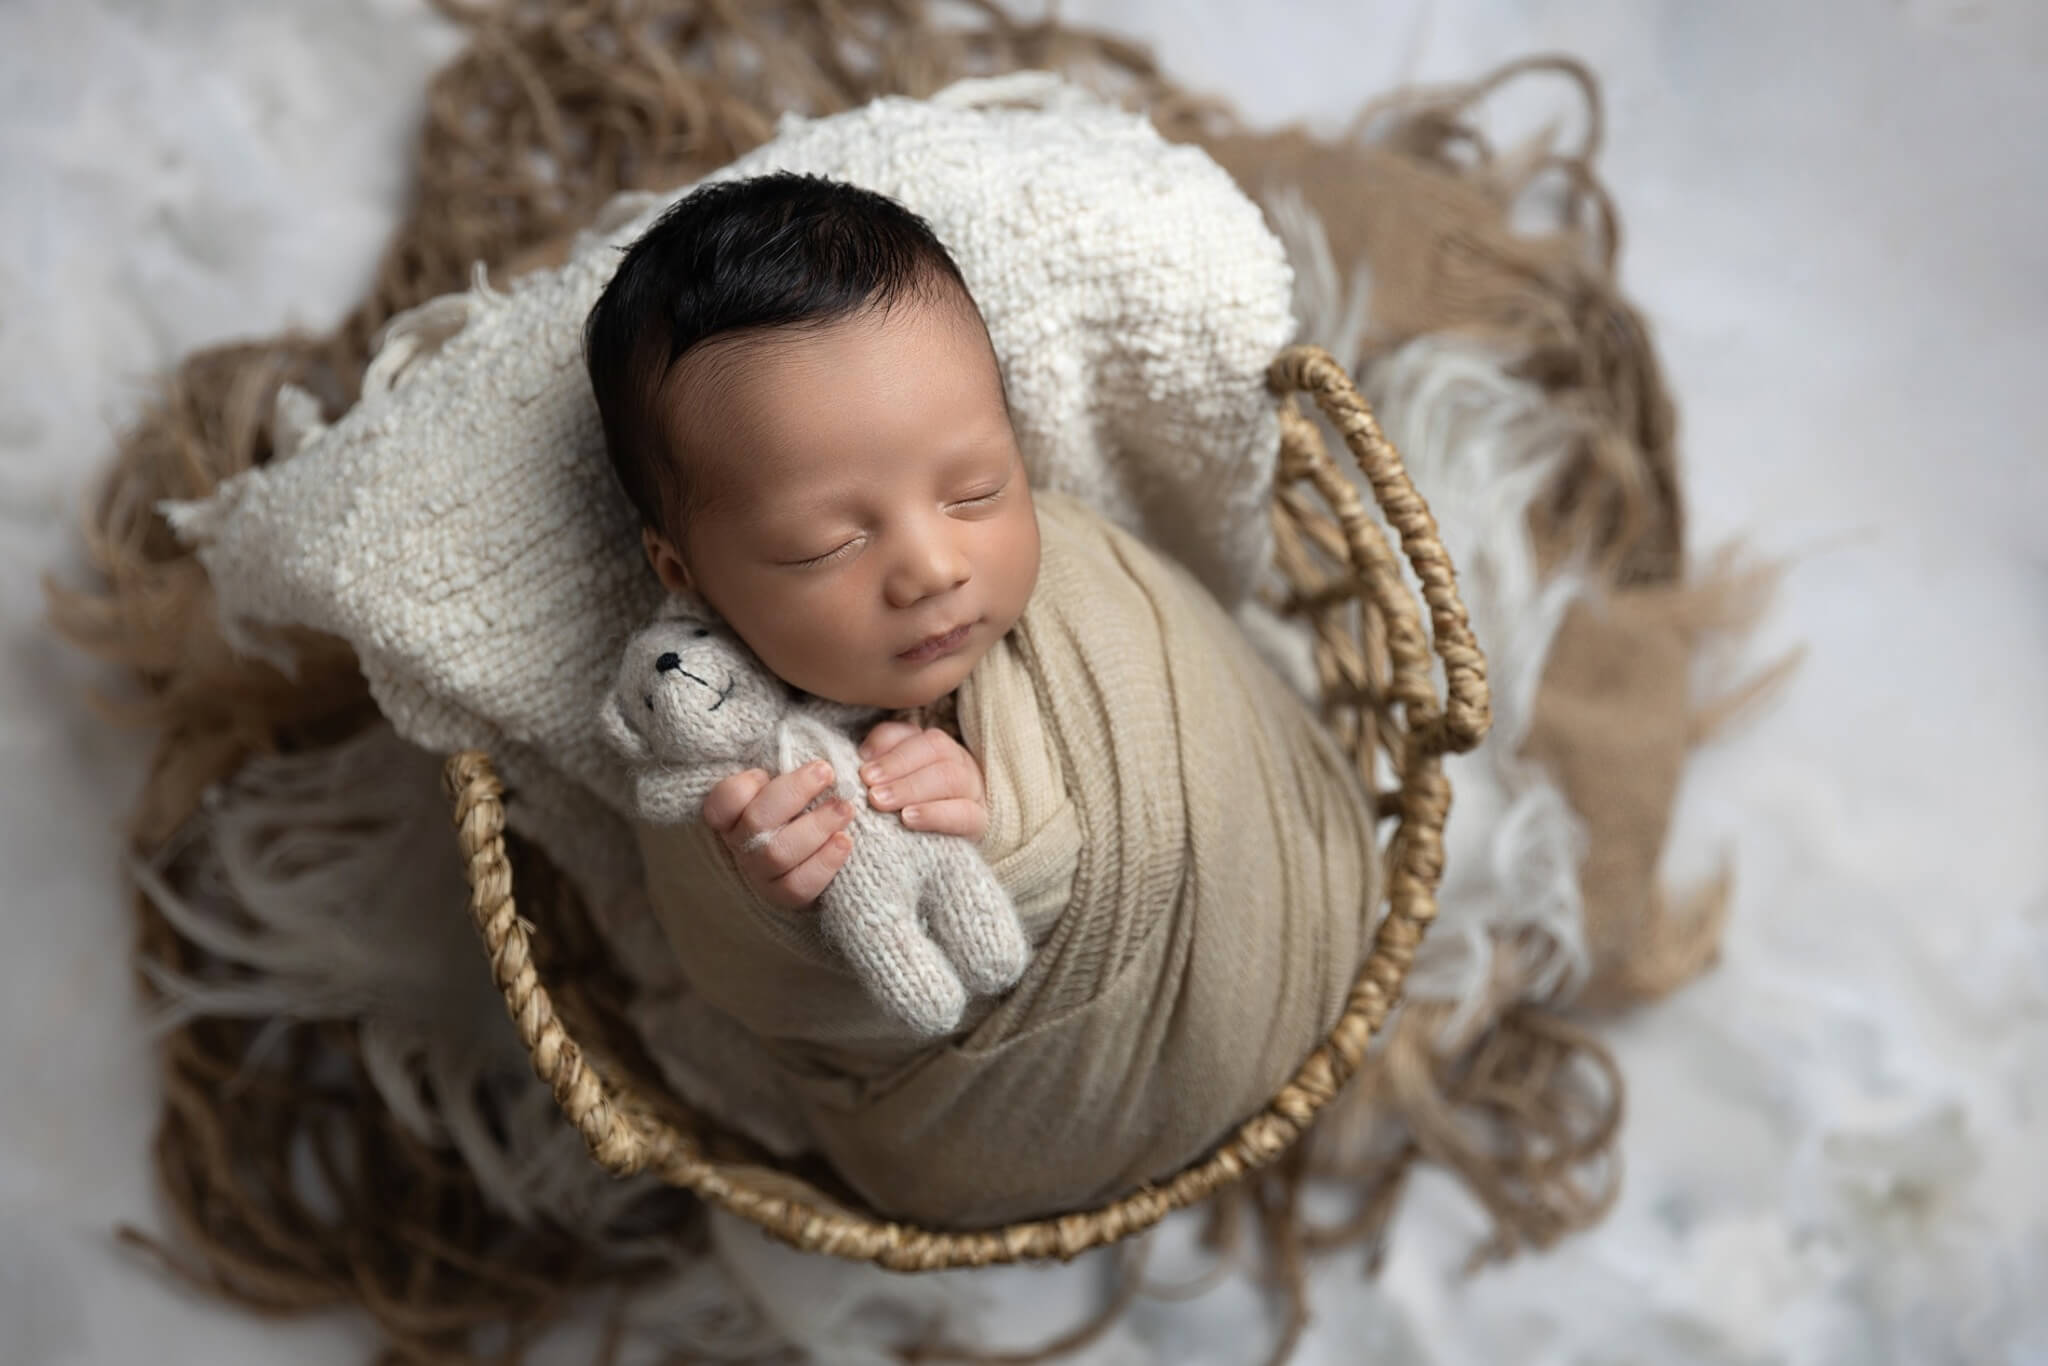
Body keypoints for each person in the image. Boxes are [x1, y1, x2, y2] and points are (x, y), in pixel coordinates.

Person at [584, 172, 1039, 913]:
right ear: (683, 572)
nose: (930, 568)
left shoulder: (1090, 587)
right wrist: (782, 901)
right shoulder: (719, 748)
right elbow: (731, 971)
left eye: (977, 491)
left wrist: (1020, 806)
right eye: (825, 546)